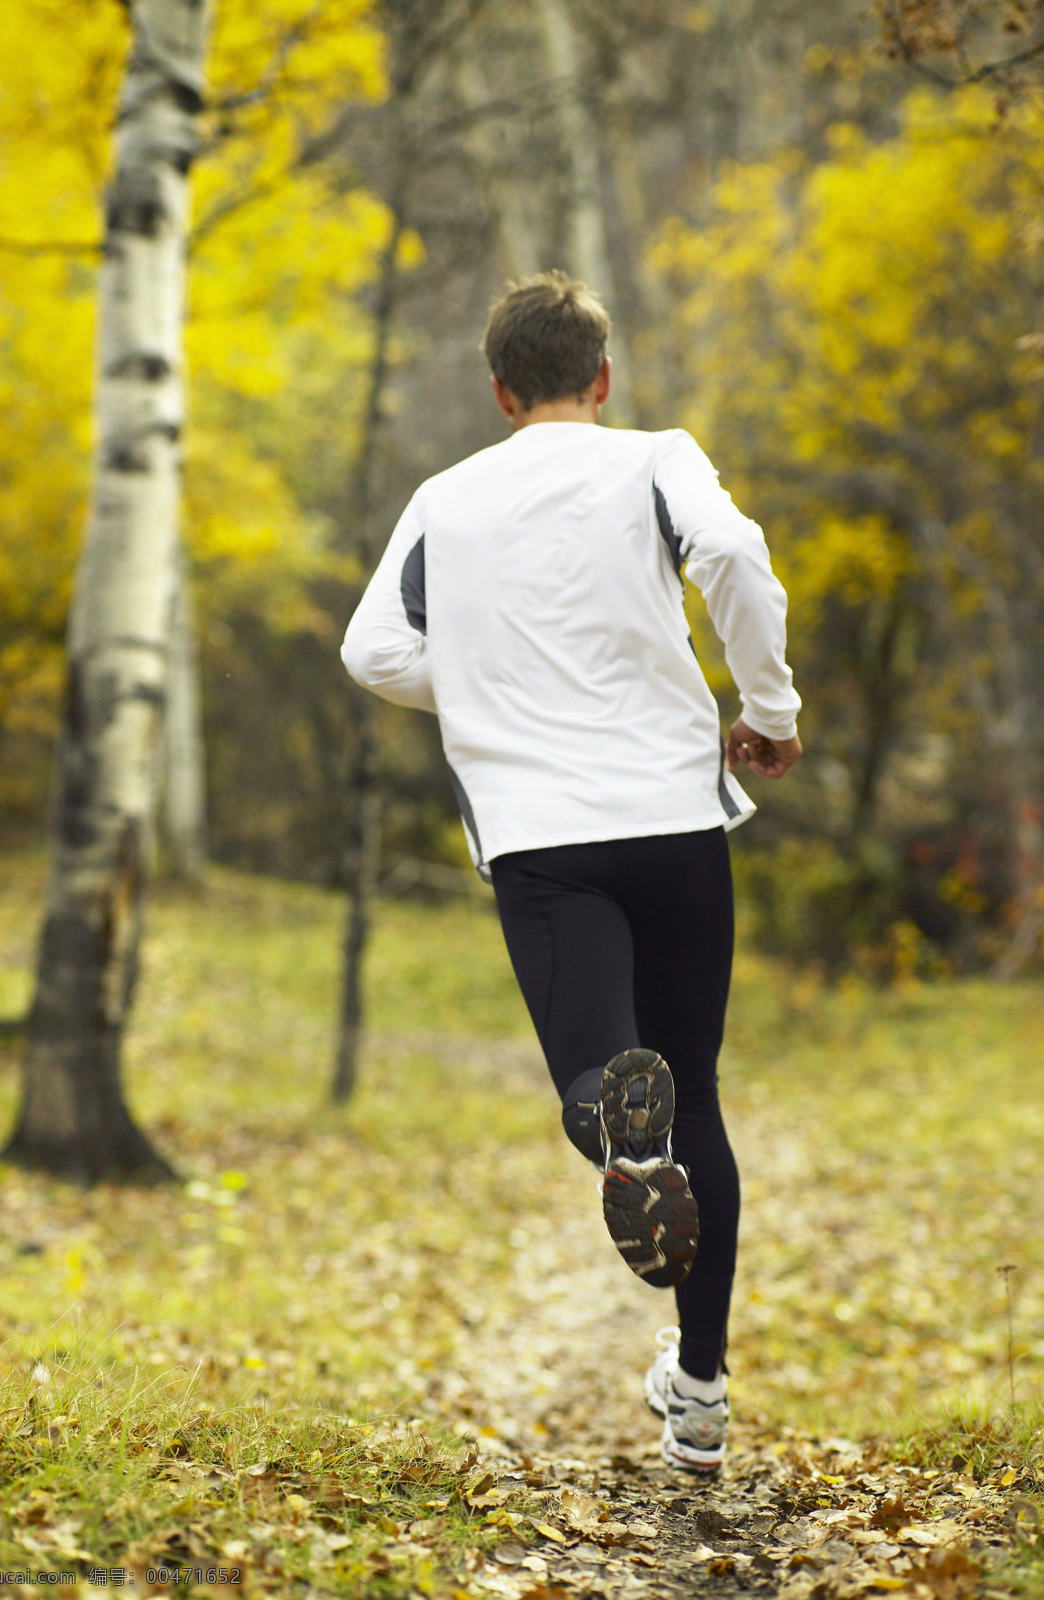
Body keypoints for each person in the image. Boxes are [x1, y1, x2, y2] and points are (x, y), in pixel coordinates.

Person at [340, 270, 802, 1474]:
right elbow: (738, 555)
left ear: (500, 392)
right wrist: (769, 705)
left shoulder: (446, 498)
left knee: (603, 1081)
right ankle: (699, 1394)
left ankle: (614, 1123)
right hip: (672, 817)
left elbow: (373, 647)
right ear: (601, 381)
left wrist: (495, 680)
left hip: (544, 836)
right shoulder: (655, 457)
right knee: (694, 1091)